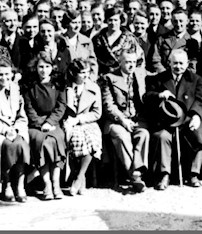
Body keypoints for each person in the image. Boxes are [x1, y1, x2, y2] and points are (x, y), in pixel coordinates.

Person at [146, 49, 202, 190]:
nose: (178, 66)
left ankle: (193, 174)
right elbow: (147, 96)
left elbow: (200, 100)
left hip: (188, 118)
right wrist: (160, 95)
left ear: (187, 63)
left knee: (198, 134)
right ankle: (164, 174)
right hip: (166, 120)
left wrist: (196, 115)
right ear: (169, 63)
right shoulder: (159, 78)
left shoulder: (196, 79)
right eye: (175, 63)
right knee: (162, 137)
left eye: (181, 63)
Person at [100, 48, 150, 193]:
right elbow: (108, 105)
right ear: (120, 62)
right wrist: (122, 120)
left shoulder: (140, 74)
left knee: (144, 134)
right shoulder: (109, 78)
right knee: (122, 136)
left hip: (136, 119)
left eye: (134, 62)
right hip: (116, 121)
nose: (131, 65)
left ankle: (136, 172)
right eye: (127, 62)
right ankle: (135, 176)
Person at [22, 52, 68, 200]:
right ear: (36, 68)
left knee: (56, 139)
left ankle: (56, 183)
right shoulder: (30, 84)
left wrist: (50, 122)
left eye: (47, 66)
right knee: (42, 141)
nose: (44, 70)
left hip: (53, 122)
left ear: (52, 67)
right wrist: (41, 124)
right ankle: (46, 183)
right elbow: (29, 108)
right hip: (36, 125)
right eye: (41, 67)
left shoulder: (58, 83)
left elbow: (61, 106)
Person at [0, 62, 31, 203]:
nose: (4, 78)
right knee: (7, 146)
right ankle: (7, 184)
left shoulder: (16, 89)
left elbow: (21, 115)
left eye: (7, 74)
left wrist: (16, 129)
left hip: (15, 128)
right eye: (0, 74)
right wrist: (5, 130)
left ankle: (20, 186)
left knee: (21, 144)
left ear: (12, 74)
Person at [61, 59, 102, 195]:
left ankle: (79, 177)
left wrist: (79, 119)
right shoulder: (65, 87)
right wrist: (69, 121)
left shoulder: (94, 88)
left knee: (91, 140)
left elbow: (97, 113)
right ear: (73, 73)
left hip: (87, 121)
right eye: (82, 73)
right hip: (69, 121)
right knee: (75, 138)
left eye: (87, 72)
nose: (86, 75)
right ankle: (78, 177)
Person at [93, 7, 144, 74]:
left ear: (120, 21)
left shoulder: (130, 38)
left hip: (124, 74)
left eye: (116, 20)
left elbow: (139, 59)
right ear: (106, 21)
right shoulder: (97, 39)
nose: (113, 23)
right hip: (102, 74)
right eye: (110, 20)